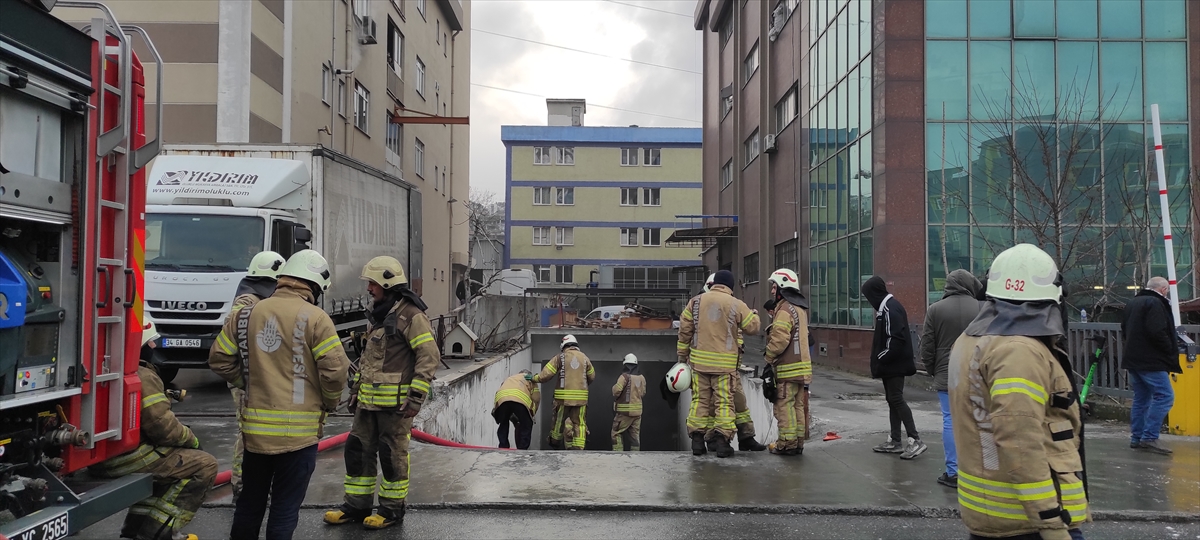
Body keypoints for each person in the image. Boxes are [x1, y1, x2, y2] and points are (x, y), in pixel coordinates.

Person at [949, 243, 1089, 540]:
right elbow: (1019, 438)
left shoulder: (972, 339)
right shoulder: (1018, 350)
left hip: (993, 510)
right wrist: (1050, 522)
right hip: (1028, 520)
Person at [208, 249, 349, 540]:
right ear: (314, 286)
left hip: (255, 436)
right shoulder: (317, 319)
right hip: (299, 437)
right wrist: (329, 401)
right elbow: (335, 372)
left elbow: (219, 359)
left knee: (249, 505)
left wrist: (247, 383)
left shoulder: (245, 315)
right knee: (284, 509)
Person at [324, 256, 440, 529]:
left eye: (373, 283)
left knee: (391, 455)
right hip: (367, 404)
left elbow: (429, 356)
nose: (368, 289)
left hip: (396, 408)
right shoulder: (378, 315)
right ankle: (355, 506)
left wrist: (415, 398)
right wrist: (355, 390)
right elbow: (367, 358)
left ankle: (390, 510)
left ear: (388, 284)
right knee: (357, 452)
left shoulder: (411, 315)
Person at [92, 322, 216, 540]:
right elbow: (162, 427)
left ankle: (134, 531)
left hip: (105, 456)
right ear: (140, 345)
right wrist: (192, 440)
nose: (153, 344)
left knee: (169, 467)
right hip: (129, 458)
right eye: (150, 340)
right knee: (204, 465)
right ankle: (158, 535)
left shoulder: (107, 368)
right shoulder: (143, 375)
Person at [678, 269, 760, 458]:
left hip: (699, 365)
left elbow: (684, 331)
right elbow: (753, 327)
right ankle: (723, 443)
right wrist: (753, 314)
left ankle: (697, 442)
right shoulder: (735, 304)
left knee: (700, 401)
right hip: (724, 366)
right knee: (724, 402)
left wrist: (682, 357)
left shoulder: (695, 302)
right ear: (730, 286)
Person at [225, 250, 286, 502]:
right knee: (248, 432)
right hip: (247, 378)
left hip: (257, 375)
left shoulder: (256, 298)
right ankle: (242, 487)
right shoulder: (247, 303)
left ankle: (257, 486)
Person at [918, 269, 982, 488]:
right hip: (977, 373)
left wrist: (932, 369)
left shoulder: (935, 310)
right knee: (977, 421)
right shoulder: (982, 308)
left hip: (948, 373)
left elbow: (927, 344)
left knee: (949, 420)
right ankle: (976, 470)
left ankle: (953, 471)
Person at [698, 273, 767, 452]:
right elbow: (752, 326)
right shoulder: (726, 304)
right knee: (719, 405)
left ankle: (746, 437)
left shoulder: (702, 304)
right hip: (720, 367)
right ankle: (716, 440)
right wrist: (752, 316)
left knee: (739, 403)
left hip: (727, 367)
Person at [861, 276, 925, 459]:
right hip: (891, 365)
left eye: (868, 296)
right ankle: (895, 440)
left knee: (896, 398)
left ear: (875, 294)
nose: (868, 301)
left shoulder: (890, 309)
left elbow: (895, 339)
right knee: (892, 399)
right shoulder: (887, 308)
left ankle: (915, 439)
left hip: (894, 364)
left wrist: (881, 358)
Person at [1121, 276, 1181, 455]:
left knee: (1141, 398)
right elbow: (1157, 331)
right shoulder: (1156, 303)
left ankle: (1137, 438)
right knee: (1165, 396)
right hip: (1152, 359)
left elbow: (1124, 328)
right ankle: (1149, 437)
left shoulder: (1133, 303)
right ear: (1163, 289)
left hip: (1133, 358)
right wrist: (1170, 348)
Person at [763, 269, 812, 456]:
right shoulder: (799, 309)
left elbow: (779, 340)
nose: (772, 291)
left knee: (784, 406)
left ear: (783, 288)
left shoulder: (784, 310)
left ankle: (787, 444)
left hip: (787, 370)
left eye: (775, 287)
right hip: (801, 370)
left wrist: (768, 357)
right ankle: (797, 442)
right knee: (797, 406)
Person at [530, 334, 595, 450]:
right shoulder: (585, 358)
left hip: (563, 399)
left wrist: (534, 378)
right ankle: (579, 448)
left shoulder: (560, 357)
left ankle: (555, 443)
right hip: (581, 400)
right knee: (579, 424)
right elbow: (592, 376)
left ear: (563, 345)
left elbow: (545, 375)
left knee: (559, 422)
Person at [493, 370, 540, 449]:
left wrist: (497, 409)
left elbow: (501, 390)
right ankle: (522, 449)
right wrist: (531, 414)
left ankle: (503, 446)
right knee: (527, 425)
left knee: (503, 423)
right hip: (519, 400)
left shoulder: (511, 378)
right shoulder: (531, 380)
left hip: (502, 399)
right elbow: (536, 399)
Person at [611, 354, 647, 451]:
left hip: (624, 413)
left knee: (616, 433)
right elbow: (643, 393)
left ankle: (618, 456)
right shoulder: (642, 378)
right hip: (637, 413)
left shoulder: (624, 377)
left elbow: (616, 391)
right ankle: (635, 457)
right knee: (634, 436)